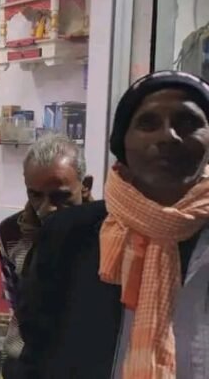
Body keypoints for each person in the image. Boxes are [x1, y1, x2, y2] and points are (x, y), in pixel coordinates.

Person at [18, 70, 209, 378]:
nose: (168, 136)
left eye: (187, 122)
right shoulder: (71, 235)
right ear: (123, 143)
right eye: (148, 123)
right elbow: (38, 351)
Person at [0, 134, 92, 377]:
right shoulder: (11, 233)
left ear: (85, 186)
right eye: (36, 195)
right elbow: (18, 304)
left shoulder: (108, 233)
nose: (47, 208)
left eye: (60, 196)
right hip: (26, 363)